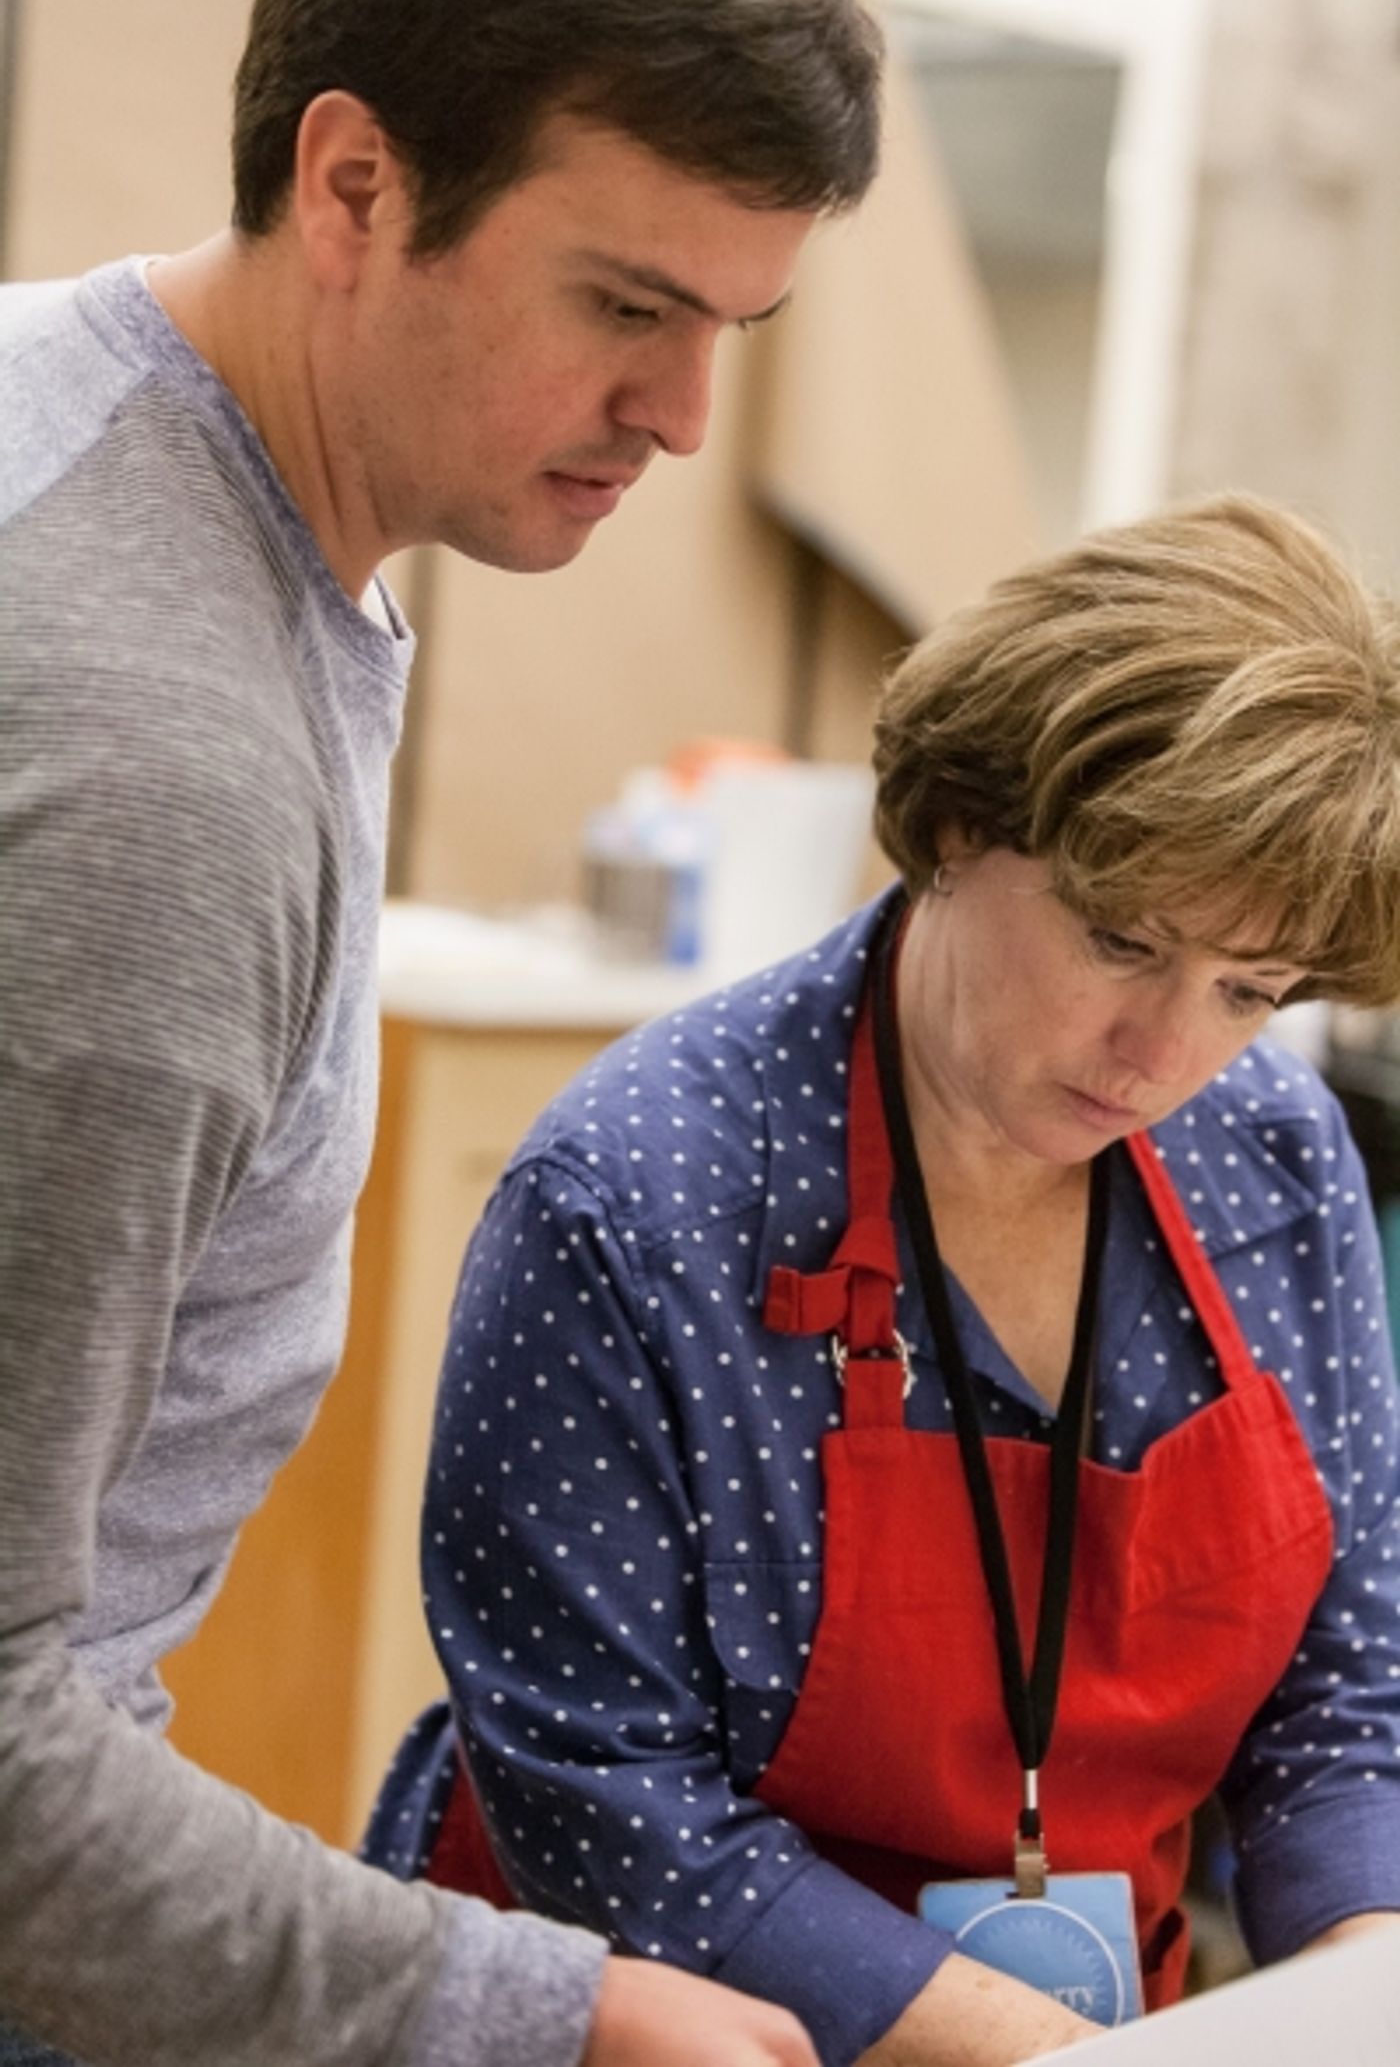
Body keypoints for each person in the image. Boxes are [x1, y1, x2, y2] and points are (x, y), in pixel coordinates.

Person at [0, 0, 883, 2065]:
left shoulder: (86, 419)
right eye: (623, 307)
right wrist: (541, 2011)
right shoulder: (156, 770)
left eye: (731, 338)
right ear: (356, 184)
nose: (681, 418)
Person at [365, 493, 1400, 2066]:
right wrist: (1053, 2057)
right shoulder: (636, 1202)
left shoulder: (1273, 1158)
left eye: (1249, 991)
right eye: (1124, 944)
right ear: (960, 823)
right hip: (673, 2028)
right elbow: (611, 1808)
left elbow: (1345, 1691)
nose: (1169, 1056)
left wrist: (1363, 1981)